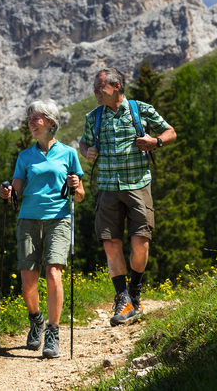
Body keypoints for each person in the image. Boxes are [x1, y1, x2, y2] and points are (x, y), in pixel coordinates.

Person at [79, 68, 176, 326]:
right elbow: (83, 143)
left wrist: (156, 142)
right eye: (95, 87)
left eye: (100, 87)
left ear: (117, 86)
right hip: (107, 187)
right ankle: (122, 298)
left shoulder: (140, 109)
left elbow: (170, 131)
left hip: (137, 185)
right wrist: (87, 151)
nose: (96, 91)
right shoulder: (93, 117)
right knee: (111, 243)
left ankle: (135, 290)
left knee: (140, 242)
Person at [0, 99, 84, 359]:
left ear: (50, 121)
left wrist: (76, 184)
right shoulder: (25, 157)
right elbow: (15, 194)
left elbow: (80, 196)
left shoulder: (69, 154)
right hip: (28, 219)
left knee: (54, 272)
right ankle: (36, 319)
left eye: (36, 118)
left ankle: (53, 331)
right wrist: (7, 192)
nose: (31, 123)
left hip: (59, 219)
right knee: (28, 283)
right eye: (30, 119)